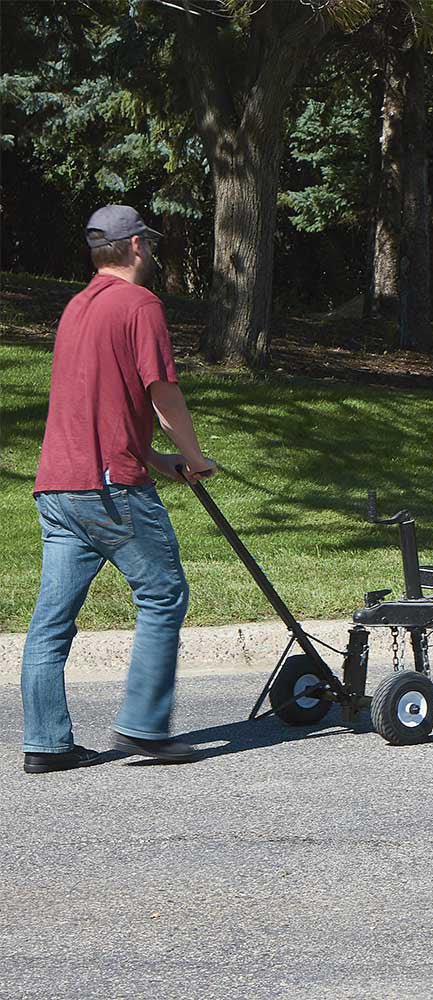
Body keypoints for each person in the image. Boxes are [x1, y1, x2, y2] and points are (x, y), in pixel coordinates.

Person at [21, 204, 217, 774]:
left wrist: (155, 459)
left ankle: (46, 743)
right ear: (134, 246)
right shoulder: (139, 304)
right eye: (147, 244)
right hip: (109, 490)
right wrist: (195, 458)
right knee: (163, 593)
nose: (150, 252)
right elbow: (163, 393)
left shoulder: (77, 308)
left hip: (58, 487)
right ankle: (145, 727)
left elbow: (96, 405)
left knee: (51, 621)